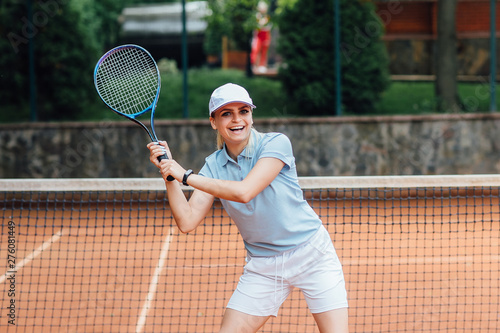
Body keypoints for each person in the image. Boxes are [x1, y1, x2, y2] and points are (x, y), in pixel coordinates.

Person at [147, 83, 349, 333]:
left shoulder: (275, 143)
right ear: (214, 122)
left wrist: (185, 175)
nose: (236, 119)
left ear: (251, 116)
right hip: (263, 266)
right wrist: (168, 174)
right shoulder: (213, 166)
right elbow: (187, 221)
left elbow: (244, 191)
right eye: (226, 113)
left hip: (313, 255)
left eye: (243, 111)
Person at [251, 1, 273, 73]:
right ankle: (254, 65)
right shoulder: (257, 16)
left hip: (265, 34)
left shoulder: (268, 17)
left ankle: (262, 66)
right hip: (258, 35)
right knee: (256, 50)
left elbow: (268, 27)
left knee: (264, 51)